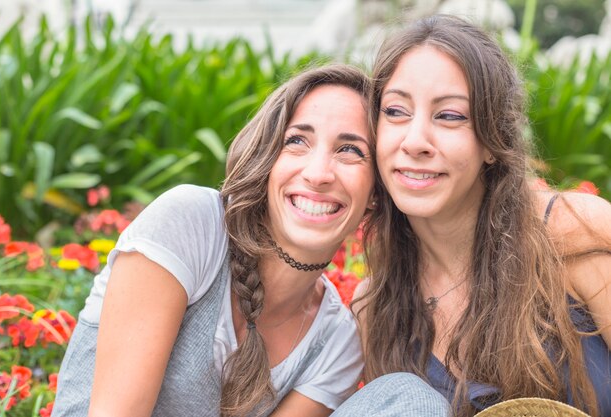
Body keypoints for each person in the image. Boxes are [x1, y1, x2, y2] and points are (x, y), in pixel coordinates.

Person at [52, 64, 376, 417]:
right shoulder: (191, 225)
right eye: (296, 141)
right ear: (267, 158)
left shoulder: (335, 343)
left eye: (350, 151)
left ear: (377, 192)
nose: (317, 174)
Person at [334, 14, 611, 417]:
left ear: (493, 142)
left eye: (449, 116)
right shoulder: (376, 310)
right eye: (395, 111)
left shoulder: (571, 231)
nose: (415, 141)